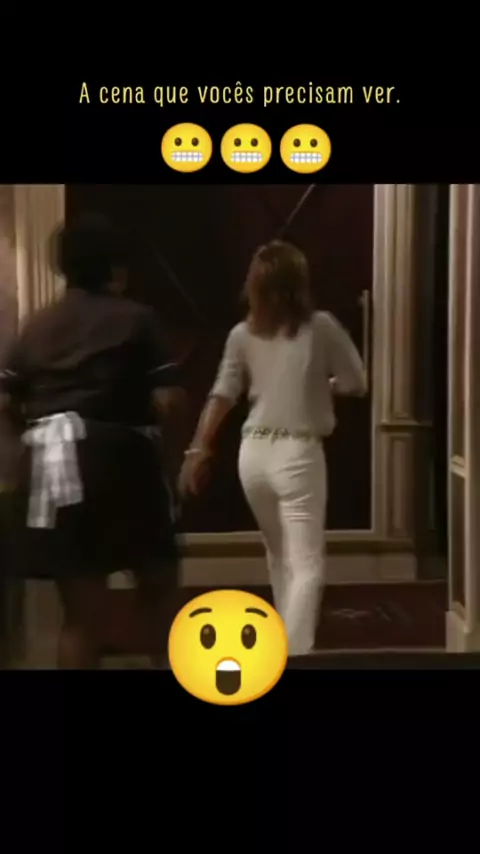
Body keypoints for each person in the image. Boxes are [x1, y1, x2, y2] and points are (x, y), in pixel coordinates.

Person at [0, 214, 185, 668]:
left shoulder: (37, 326)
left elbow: (5, 401)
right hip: (118, 459)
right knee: (158, 588)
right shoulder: (136, 318)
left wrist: (26, 442)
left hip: (48, 468)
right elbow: (168, 400)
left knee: (81, 617)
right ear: (115, 267)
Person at [179, 240, 366, 656]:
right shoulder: (321, 327)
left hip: (253, 455)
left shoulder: (241, 334)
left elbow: (222, 394)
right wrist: (324, 385)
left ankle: (281, 644)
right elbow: (357, 382)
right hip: (297, 453)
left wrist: (197, 449)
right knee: (307, 563)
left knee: (278, 555)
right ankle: (291, 655)